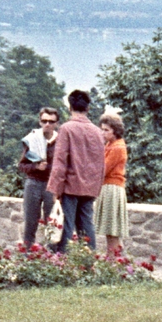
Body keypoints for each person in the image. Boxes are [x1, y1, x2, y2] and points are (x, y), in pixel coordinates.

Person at [47, 89, 105, 252]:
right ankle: (88, 262)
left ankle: (61, 263)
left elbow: (60, 162)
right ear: (87, 108)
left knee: (65, 225)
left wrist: (55, 189)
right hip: (90, 188)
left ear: (69, 107)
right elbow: (101, 163)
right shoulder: (97, 132)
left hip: (70, 186)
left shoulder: (67, 128)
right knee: (86, 226)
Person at [18, 108, 60, 248]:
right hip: (33, 183)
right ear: (40, 122)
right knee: (30, 221)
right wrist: (35, 167)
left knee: (52, 222)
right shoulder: (33, 139)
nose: (47, 124)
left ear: (56, 123)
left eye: (51, 121)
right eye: (44, 121)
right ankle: (27, 254)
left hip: (51, 184)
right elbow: (22, 165)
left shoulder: (60, 141)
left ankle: (52, 257)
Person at [97, 112, 129, 256]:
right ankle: (115, 259)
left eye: (106, 130)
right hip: (109, 187)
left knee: (112, 229)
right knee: (110, 229)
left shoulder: (117, 147)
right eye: (102, 129)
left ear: (115, 131)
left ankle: (113, 261)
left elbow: (103, 169)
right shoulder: (111, 145)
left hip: (112, 188)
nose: (103, 133)